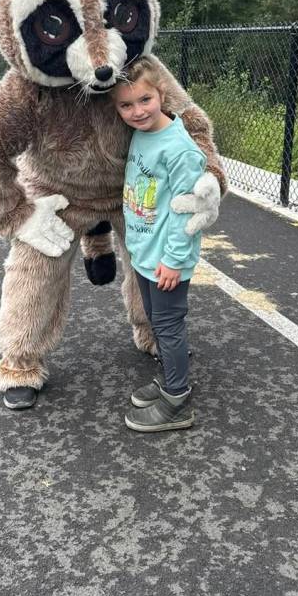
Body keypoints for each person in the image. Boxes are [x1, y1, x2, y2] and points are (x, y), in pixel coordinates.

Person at [112, 56, 210, 433]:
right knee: (156, 321)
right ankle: (170, 378)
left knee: (168, 326)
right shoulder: (143, 132)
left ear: (161, 94)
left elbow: (188, 211)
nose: (137, 112)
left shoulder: (180, 149)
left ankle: (177, 399)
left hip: (167, 258)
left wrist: (173, 260)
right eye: (126, 105)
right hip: (144, 252)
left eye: (145, 101)